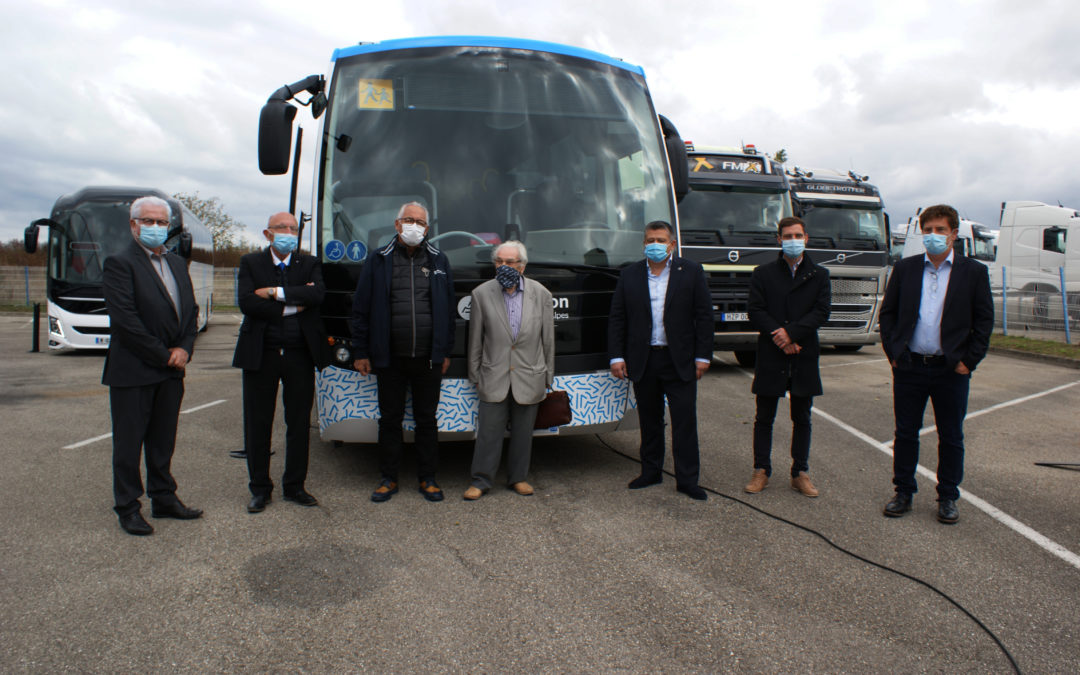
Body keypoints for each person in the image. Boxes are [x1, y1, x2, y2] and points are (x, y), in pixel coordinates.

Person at [879, 204, 993, 524]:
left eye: (940, 230)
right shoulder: (906, 268)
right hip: (910, 366)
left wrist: (968, 362)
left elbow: (984, 323)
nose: (933, 236)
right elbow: (888, 315)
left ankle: (947, 497)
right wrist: (894, 354)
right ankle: (903, 491)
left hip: (950, 370)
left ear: (954, 234)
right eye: (927, 230)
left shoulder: (973, 272)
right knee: (905, 433)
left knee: (951, 436)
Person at [102, 196, 202, 535]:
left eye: (162, 222)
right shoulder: (120, 263)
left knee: (163, 441)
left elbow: (191, 311)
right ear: (134, 225)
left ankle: (164, 499)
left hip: (172, 370)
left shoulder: (176, 264)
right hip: (134, 371)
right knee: (129, 444)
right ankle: (128, 507)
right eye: (149, 221)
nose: (156, 227)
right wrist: (165, 354)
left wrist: (185, 348)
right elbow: (126, 322)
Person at [350, 202, 456, 503]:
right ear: (397, 225)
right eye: (409, 220)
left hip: (428, 359)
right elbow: (361, 309)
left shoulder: (439, 260)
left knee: (426, 420)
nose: (414, 226)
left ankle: (428, 479)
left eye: (420, 222)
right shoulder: (378, 260)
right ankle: (388, 478)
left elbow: (448, 311)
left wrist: (445, 351)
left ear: (427, 228)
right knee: (390, 420)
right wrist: (361, 350)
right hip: (389, 358)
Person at [608, 221, 714, 500]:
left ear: (672, 244)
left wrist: (703, 356)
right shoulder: (630, 274)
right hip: (644, 360)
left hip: (680, 360)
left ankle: (688, 480)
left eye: (660, 240)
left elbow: (703, 316)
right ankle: (651, 472)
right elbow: (618, 317)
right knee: (650, 420)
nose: (655, 244)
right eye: (650, 240)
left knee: (684, 422)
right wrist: (616, 356)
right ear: (644, 244)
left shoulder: (690, 272)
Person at [233, 212, 331, 513]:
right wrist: (292, 307)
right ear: (268, 233)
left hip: (300, 354)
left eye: (293, 228)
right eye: (282, 228)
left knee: (299, 423)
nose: (289, 232)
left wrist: (274, 294)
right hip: (261, 353)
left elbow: (317, 295)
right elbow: (247, 302)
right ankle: (260, 489)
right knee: (258, 422)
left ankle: (295, 486)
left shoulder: (309, 263)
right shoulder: (251, 263)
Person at [745, 216, 831, 497]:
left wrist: (792, 334)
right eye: (787, 235)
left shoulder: (819, 275)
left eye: (798, 235)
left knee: (802, 417)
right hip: (772, 352)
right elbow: (756, 311)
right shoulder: (763, 273)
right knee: (764, 416)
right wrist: (780, 337)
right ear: (778, 239)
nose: (793, 240)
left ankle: (800, 472)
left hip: (803, 353)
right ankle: (761, 470)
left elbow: (821, 312)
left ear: (806, 238)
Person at [464, 241, 554, 500]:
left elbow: (547, 340)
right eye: (499, 262)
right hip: (493, 375)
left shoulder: (541, 295)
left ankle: (518, 478)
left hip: (530, 375)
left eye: (510, 262)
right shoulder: (481, 294)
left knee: (524, 434)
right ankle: (480, 480)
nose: (504, 266)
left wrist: (548, 375)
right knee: (488, 433)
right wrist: (475, 375)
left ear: (522, 266)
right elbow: (476, 340)